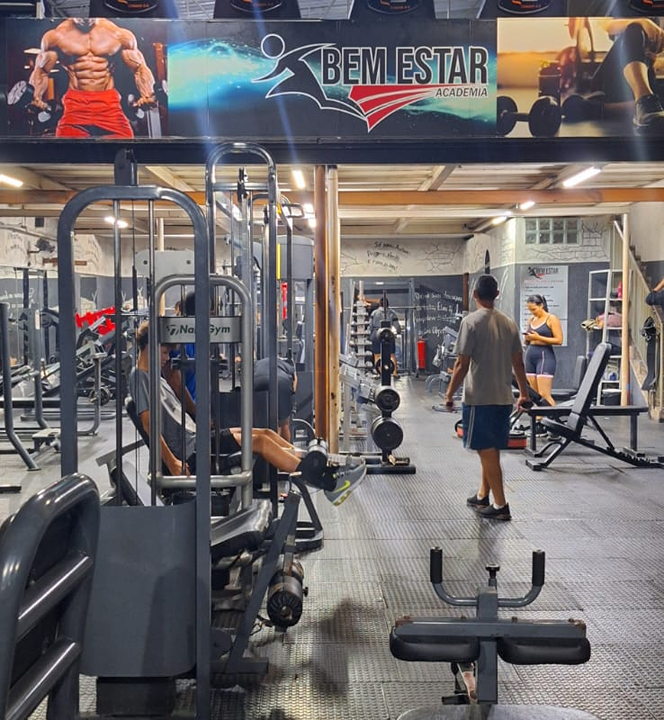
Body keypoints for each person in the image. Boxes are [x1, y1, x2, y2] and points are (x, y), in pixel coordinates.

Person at [129, 321, 366, 506]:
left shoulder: (155, 376)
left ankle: (317, 463)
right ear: (150, 346)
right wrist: (172, 462)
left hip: (197, 440)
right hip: (190, 451)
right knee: (261, 442)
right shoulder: (140, 377)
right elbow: (149, 424)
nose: (166, 358)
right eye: (164, 352)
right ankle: (326, 481)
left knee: (264, 433)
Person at [444, 275, 530, 522]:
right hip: (503, 398)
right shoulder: (509, 323)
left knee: (486, 450)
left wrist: (449, 394)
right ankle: (483, 495)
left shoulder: (470, 322)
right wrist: (524, 394)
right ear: (497, 295)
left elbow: (461, 364)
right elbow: (518, 363)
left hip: (480, 398)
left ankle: (501, 505)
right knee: (490, 449)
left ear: (475, 295)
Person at [28, 18, 156, 138]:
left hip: (109, 105)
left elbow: (140, 68)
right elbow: (41, 71)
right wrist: (35, 97)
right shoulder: (57, 36)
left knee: (125, 147)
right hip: (75, 106)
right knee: (66, 150)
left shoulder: (117, 34)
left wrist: (147, 94)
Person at [591, 18, 664, 133]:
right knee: (634, 29)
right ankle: (644, 100)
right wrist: (642, 21)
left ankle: (636, 106)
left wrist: (654, 60)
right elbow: (606, 25)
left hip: (644, 81)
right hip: (615, 78)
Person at [523, 294, 563, 407]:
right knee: (534, 396)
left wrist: (538, 337)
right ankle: (539, 417)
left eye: (534, 309)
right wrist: (527, 339)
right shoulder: (531, 320)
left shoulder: (551, 318)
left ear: (541, 305)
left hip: (545, 356)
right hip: (530, 355)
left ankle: (554, 416)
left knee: (544, 394)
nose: (532, 312)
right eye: (530, 310)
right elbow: (527, 340)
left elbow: (559, 340)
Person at [254, 356, 297, 441]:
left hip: (258, 381)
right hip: (281, 382)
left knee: (259, 421)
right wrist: (292, 393)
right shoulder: (287, 365)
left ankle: (263, 444)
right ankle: (284, 446)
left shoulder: (258, 363)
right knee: (283, 423)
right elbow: (295, 379)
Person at [368, 297, 402, 375]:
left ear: (380, 304)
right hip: (388, 333)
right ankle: (394, 373)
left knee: (377, 355)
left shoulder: (374, 313)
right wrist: (398, 332)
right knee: (392, 354)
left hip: (376, 333)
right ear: (388, 304)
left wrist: (370, 334)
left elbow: (370, 325)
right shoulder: (392, 313)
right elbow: (397, 326)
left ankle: (379, 373)